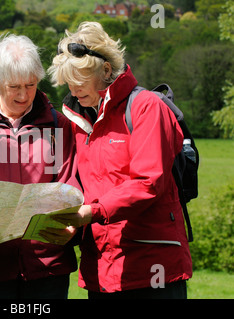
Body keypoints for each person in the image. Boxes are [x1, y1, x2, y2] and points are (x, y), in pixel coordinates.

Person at [44, 21, 192, 299]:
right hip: (100, 268)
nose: (73, 90)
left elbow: (148, 183)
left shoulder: (147, 108)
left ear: (106, 70)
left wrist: (91, 213)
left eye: (79, 81)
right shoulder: (78, 119)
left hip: (151, 266)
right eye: (68, 83)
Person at [0, 34, 78, 299]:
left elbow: (69, 181)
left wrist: (71, 219)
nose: (24, 95)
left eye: (31, 84)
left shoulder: (59, 125)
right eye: (14, 87)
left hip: (47, 264)